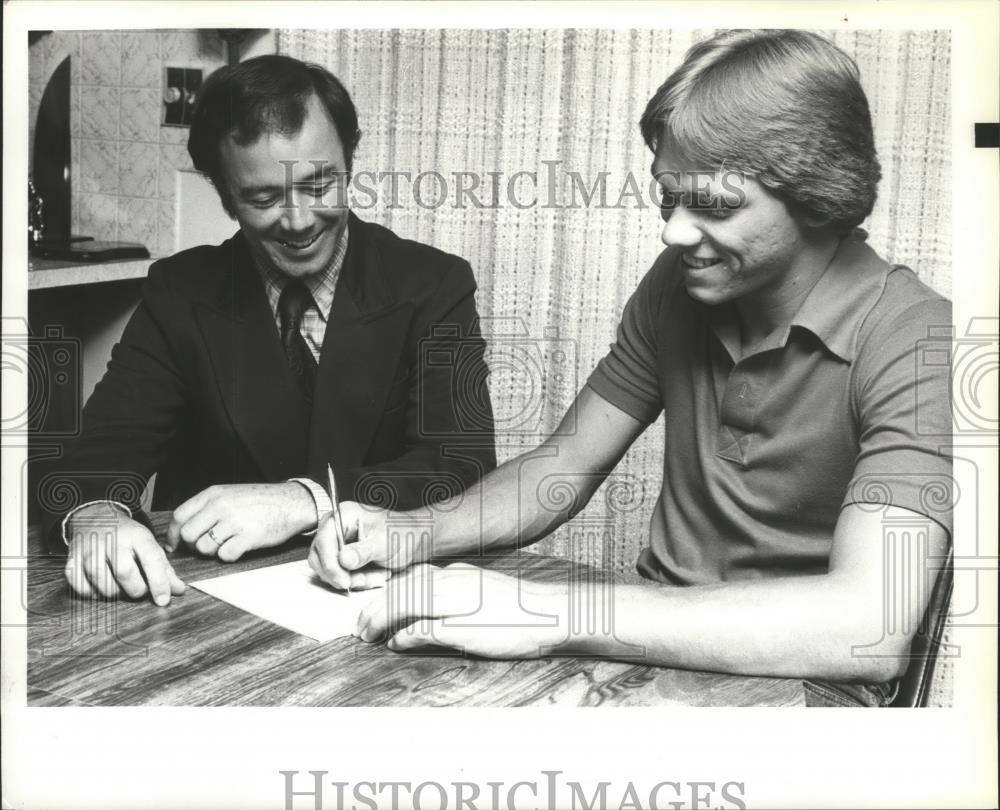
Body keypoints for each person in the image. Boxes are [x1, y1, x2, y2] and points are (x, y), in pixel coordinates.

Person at [310, 30, 953, 706]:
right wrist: (412, 531)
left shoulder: (916, 336)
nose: (674, 232)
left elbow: (869, 628)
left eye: (713, 204)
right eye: (667, 197)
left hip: (804, 690)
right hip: (645, 650)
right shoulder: (684, 280)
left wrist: (547, 613)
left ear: (819, 194)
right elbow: (561, 469)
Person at [44, 55, 496, 606]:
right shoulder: (180, 291)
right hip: (203, 608)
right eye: (263, 198)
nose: (300, 220)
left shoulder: (433, 283)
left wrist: (308, 499)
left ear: (350, 162)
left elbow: (463, 466)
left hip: (380, 599)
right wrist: (94, 516)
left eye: (320, 183)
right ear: (224, 195)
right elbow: (98, 455)